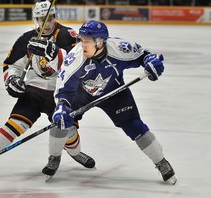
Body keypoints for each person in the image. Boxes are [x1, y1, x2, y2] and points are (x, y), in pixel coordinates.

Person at [30, 20, 177, 184]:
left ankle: (161, 161)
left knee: (134, 125)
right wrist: (62, 106)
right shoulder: (75, 58)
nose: (81, 44)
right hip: (81, 94)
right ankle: (54, 157)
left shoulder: (119, 48)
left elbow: (144, 55)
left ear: (100, 42)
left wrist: (151, 62)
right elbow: (64, 89)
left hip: (114, 92)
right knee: (60, 121)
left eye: (86, 41)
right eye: (81, 39)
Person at [0, 0, 95, 178]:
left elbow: (80, 61)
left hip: (60, 92)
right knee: (15, 123)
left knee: (68, 130)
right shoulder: (26, 39)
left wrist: (55, 52)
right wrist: (12, 79)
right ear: (36, 19)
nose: (46, 23)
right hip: (33, 90)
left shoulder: (68, 35)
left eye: (50, 18)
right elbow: (11, 65)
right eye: (41, 19)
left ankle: (75, 153)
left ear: (55, 17)